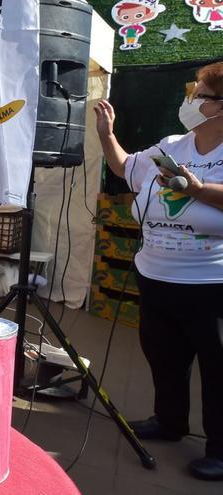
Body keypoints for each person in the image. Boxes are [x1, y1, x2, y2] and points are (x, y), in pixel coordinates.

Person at [94, 61, 223, 481]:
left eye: (198, 92)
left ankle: (220, 450)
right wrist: (107, 136)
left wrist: (198, 189)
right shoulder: (172, 144)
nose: (190, 98)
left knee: (218, 368)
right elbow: (124, 167)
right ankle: (169, 423)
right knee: (163, 356)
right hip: (156, 275)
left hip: (211, 283)